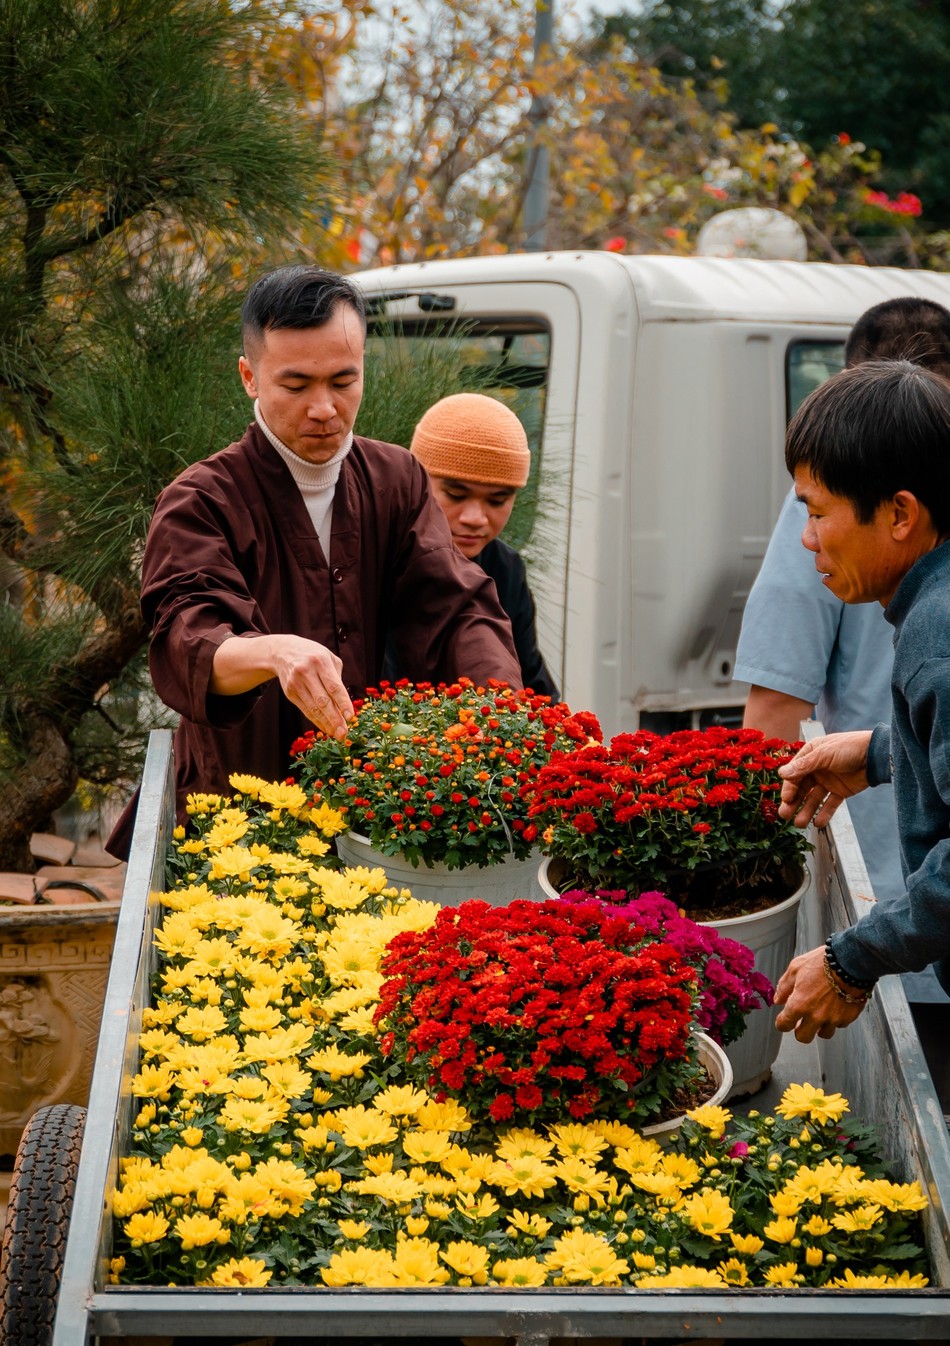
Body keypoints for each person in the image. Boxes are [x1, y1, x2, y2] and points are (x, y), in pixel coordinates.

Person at [109, 266, 520, 847]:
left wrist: (499, 717)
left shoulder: (396, 479)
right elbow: (186, 635)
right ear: (250, 377)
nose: (324, 408)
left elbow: (455, 607)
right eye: (296, 385)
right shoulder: (200, 499)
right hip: (235, 816)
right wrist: (272, 652)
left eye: (343, 381)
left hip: (365, 807)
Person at [734, 297, 950, 1001]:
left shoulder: (936, 631)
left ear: (899, 514)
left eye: (818, 513)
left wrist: (851, 958)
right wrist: (880, 754)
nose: (806, 540)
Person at [387, 392, 558, 699]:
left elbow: (531, 681)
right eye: (455, 494)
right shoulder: (375, 556)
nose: (475, 518)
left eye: (497, 500)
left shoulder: (505, 568)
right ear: (417, 482)